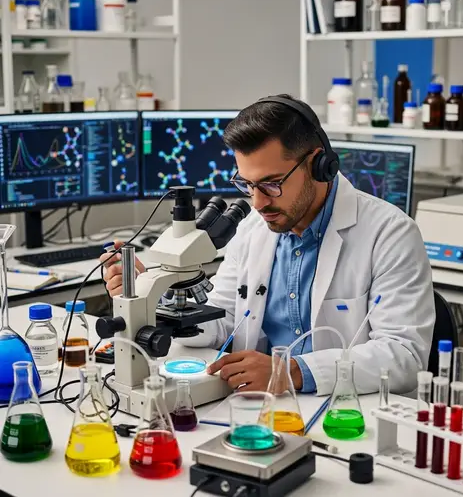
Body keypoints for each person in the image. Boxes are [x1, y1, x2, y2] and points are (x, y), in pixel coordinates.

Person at [101, 94, 435, 396]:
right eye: (246, 185)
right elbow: (223, 322)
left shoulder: (391, 234)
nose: (258, 203)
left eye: (272, 184)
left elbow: (405, 356)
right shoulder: (252, 229)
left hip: (346, 411)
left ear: (317, 164)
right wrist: (151, 298)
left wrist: (292, 372)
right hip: (260, 405)